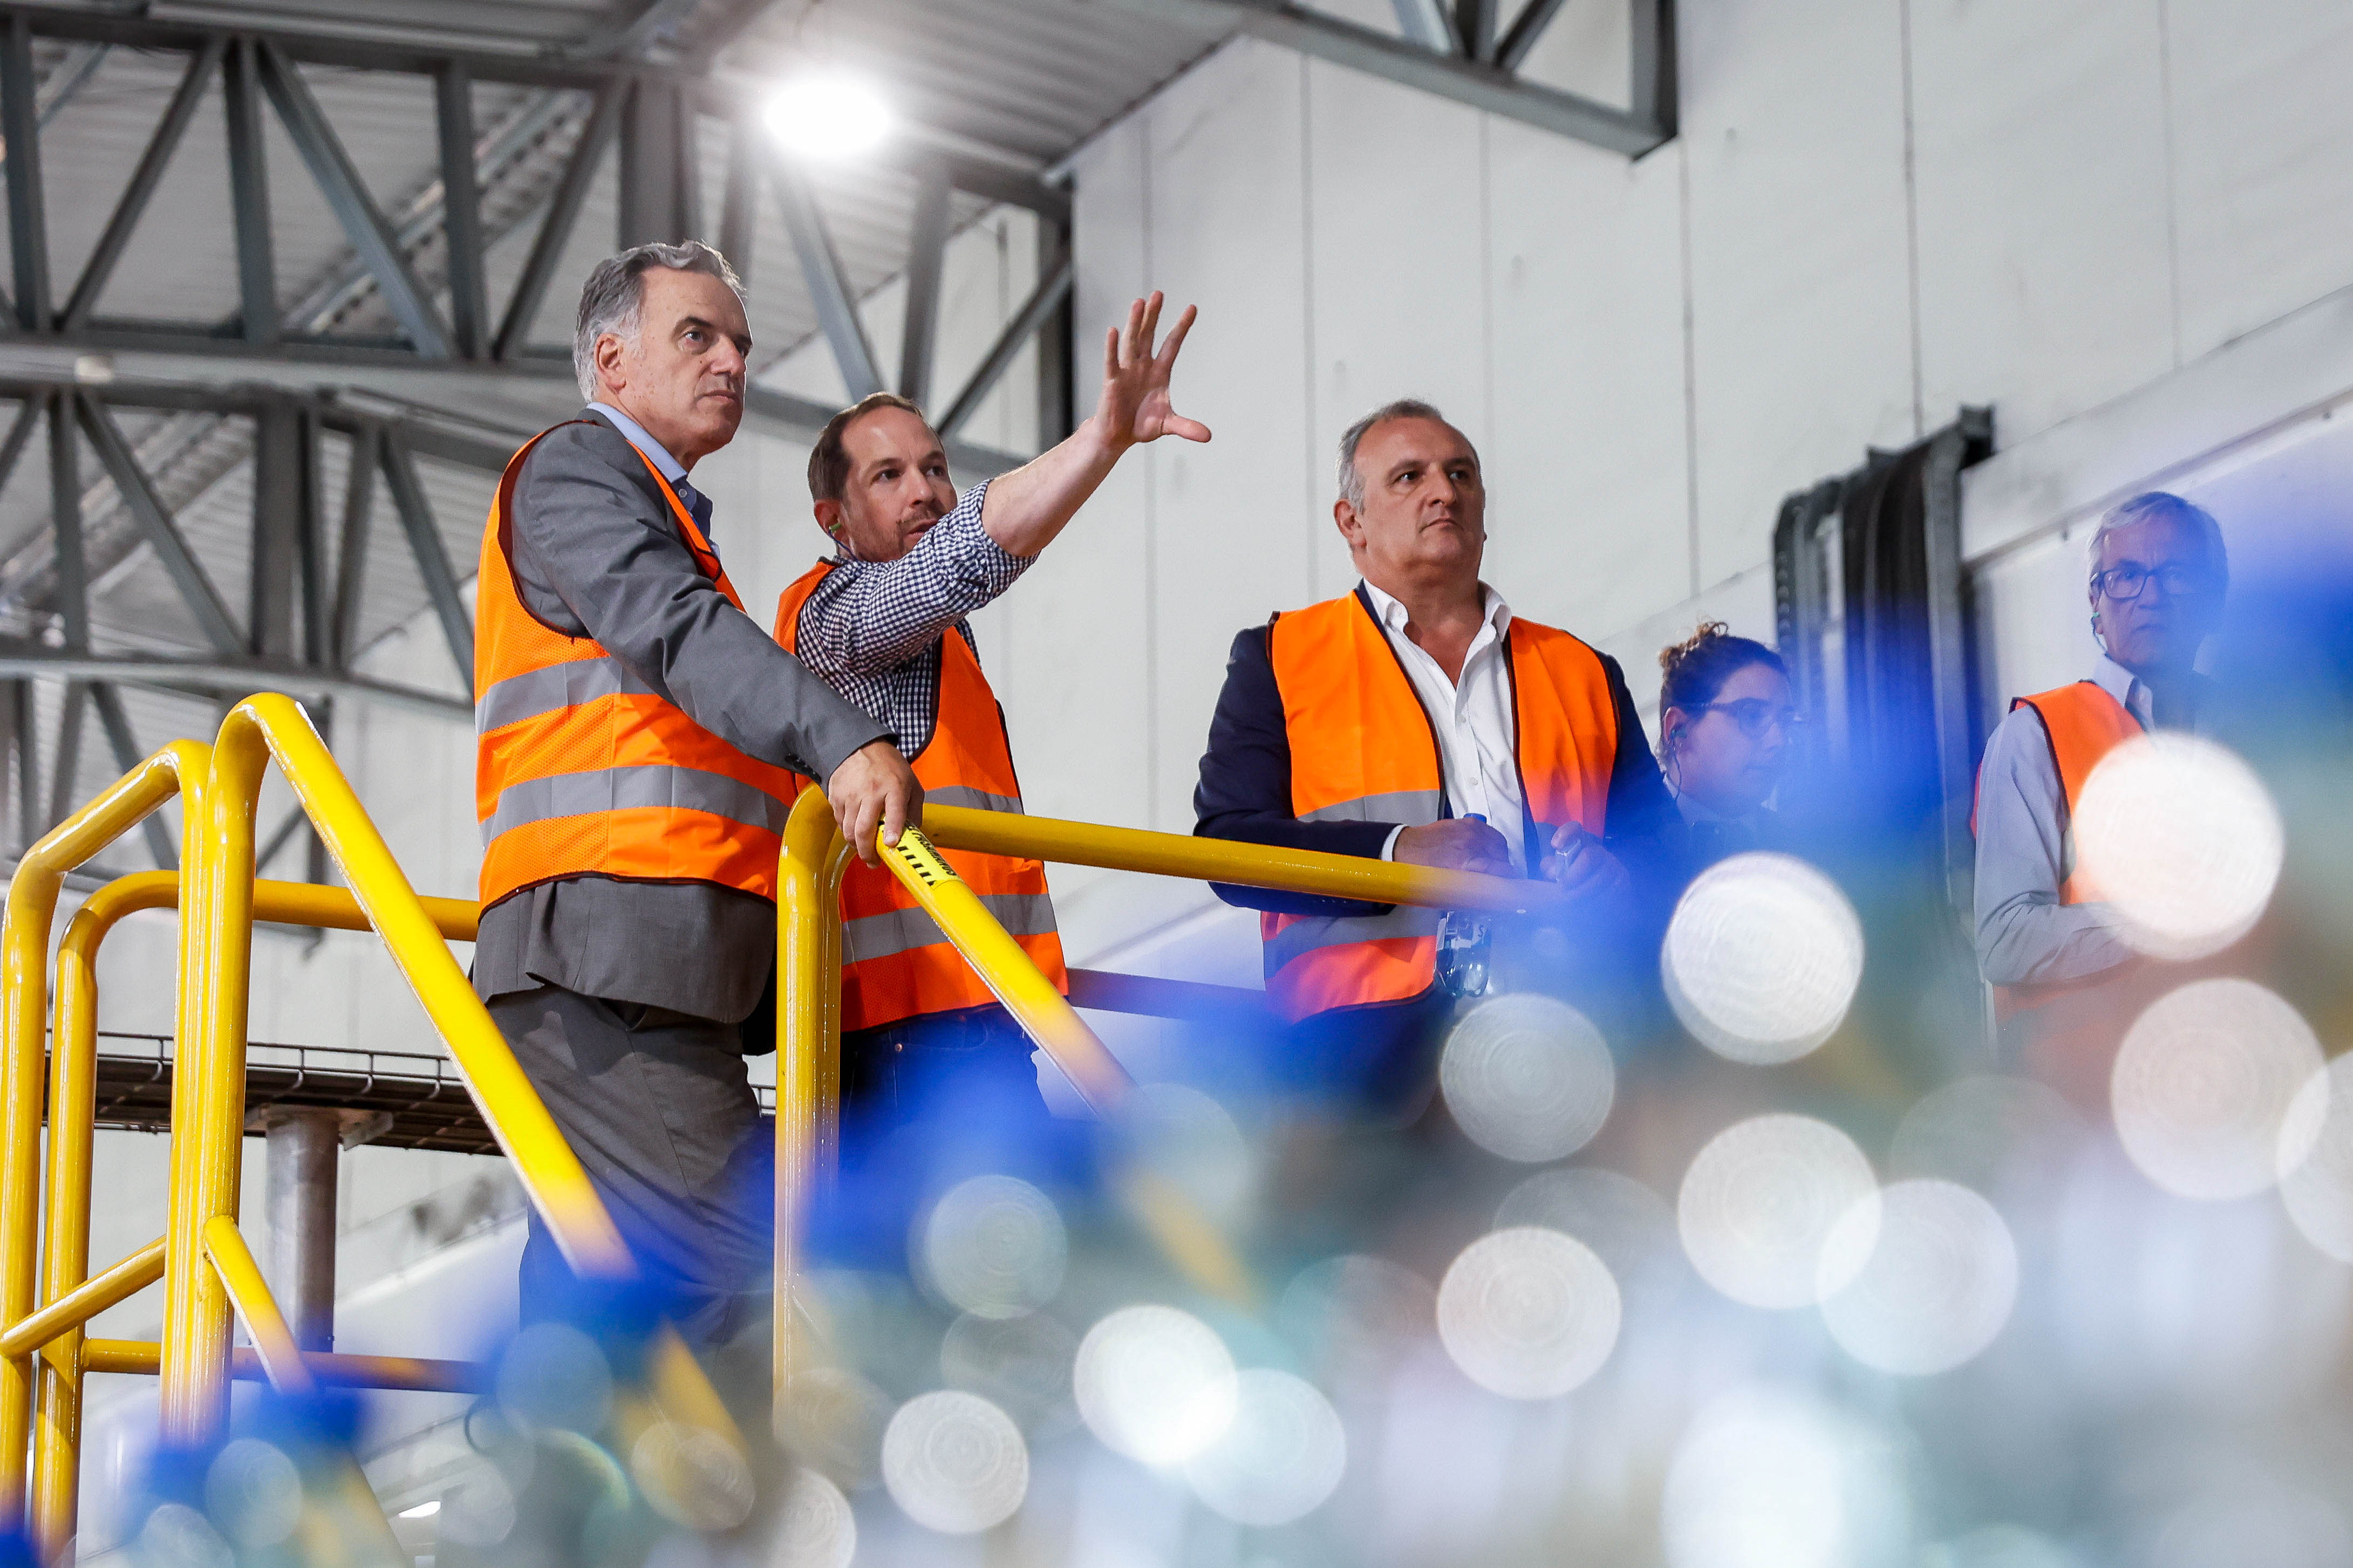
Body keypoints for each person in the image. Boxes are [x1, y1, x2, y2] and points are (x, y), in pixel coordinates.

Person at [471, 241, 920, 1343]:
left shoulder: (663, 514)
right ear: (611, 359)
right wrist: (838, 738)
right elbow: (672, 631)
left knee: (600, 1308)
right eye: (696, 336)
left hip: (640, 961)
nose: (730, 361)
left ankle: (550, 1495)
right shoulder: (578, 469)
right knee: (783, 1262)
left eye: (738, 344)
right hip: (608, 955)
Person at [773, 293, 1208, 1134]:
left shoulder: (948, 648)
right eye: (887, 475)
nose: (926, 489)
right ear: (835, 520)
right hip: (910, 1049)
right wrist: (1099, 443)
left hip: (974, 1022)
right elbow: (955, 566)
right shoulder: (837, 620)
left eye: (935, 467)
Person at [1192, 399, 1673, 1111]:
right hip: (1361, 1063)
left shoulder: (1582, 670)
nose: (1444, 491)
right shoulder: (1278, 658)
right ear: (1351, 523)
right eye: (1409, 477)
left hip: (1579, 1036)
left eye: (1461, 474)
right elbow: (1226, 848)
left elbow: (1670, 856)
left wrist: (1622, 879)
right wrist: (1398, 852)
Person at [1972, 490, 2228, 1095]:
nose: (2149, 596)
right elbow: (2003, 940)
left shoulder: (2260, 728)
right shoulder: (2034, 735)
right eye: (2125, 577)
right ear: (2094, 601)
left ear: (2213, 600)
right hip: (2085, 1108)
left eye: (2175, 576)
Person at [1638, 621, 1800, 888]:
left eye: (1785, 721)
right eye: (1751, 715)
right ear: (1678, 729)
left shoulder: (1802, 850)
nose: (1779, 741)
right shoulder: (1624, 849)